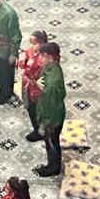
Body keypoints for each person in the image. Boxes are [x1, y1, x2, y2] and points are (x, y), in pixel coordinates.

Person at [33, 41, 66, 177]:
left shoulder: (51, 84)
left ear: (48, 56)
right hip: (54, 113)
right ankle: (53, 164)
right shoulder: (52, 67)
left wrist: (44, 124)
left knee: (52, 143)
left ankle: (54, 167)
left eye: (41, 56)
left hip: (52, 119)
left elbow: (50, 107)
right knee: (51, 141)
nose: (39, 59)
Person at [19, 30, 49, 142]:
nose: (31, 46)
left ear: (41, 44)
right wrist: (23, 62)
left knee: (39, 111)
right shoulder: (30, 51)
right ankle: (37, 129)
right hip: (28, 85)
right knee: (31, 109)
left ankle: (41, 131)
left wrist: (31, 67)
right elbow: (23, 64)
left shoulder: (45, 59)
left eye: (34, 43)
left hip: (38, 90)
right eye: (30, 43)